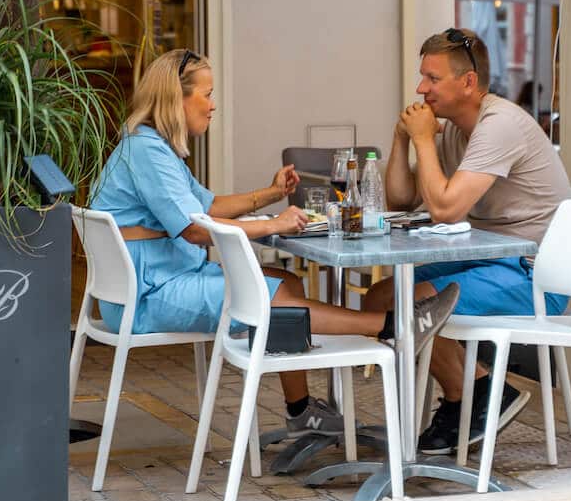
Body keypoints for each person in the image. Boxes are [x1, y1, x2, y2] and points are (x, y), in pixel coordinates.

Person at [91, 49, 459, 439]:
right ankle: (391, 326)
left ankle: (301, 412)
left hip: (159, 279)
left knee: (288, 283)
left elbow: (208, 206)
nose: (213, 106)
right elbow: (194, 229)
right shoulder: (147, 150)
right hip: (150, 294)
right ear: (175, 99)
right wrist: (272, 225)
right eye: (207, 94)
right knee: (272, 297)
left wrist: (270, 195)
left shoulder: (152, 147)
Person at [362, 28, 571, 455]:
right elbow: (401, 201)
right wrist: (402, 139)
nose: (421, 89)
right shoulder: (458, 127)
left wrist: (424, 137)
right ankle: (478, 391)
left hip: (536, 275)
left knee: (411, 304)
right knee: (381, 298)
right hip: (491, 259)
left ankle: (471, 398)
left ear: (468, 83)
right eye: (422, 77)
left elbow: (445, 210)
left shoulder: (500, 126)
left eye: (432, 79)